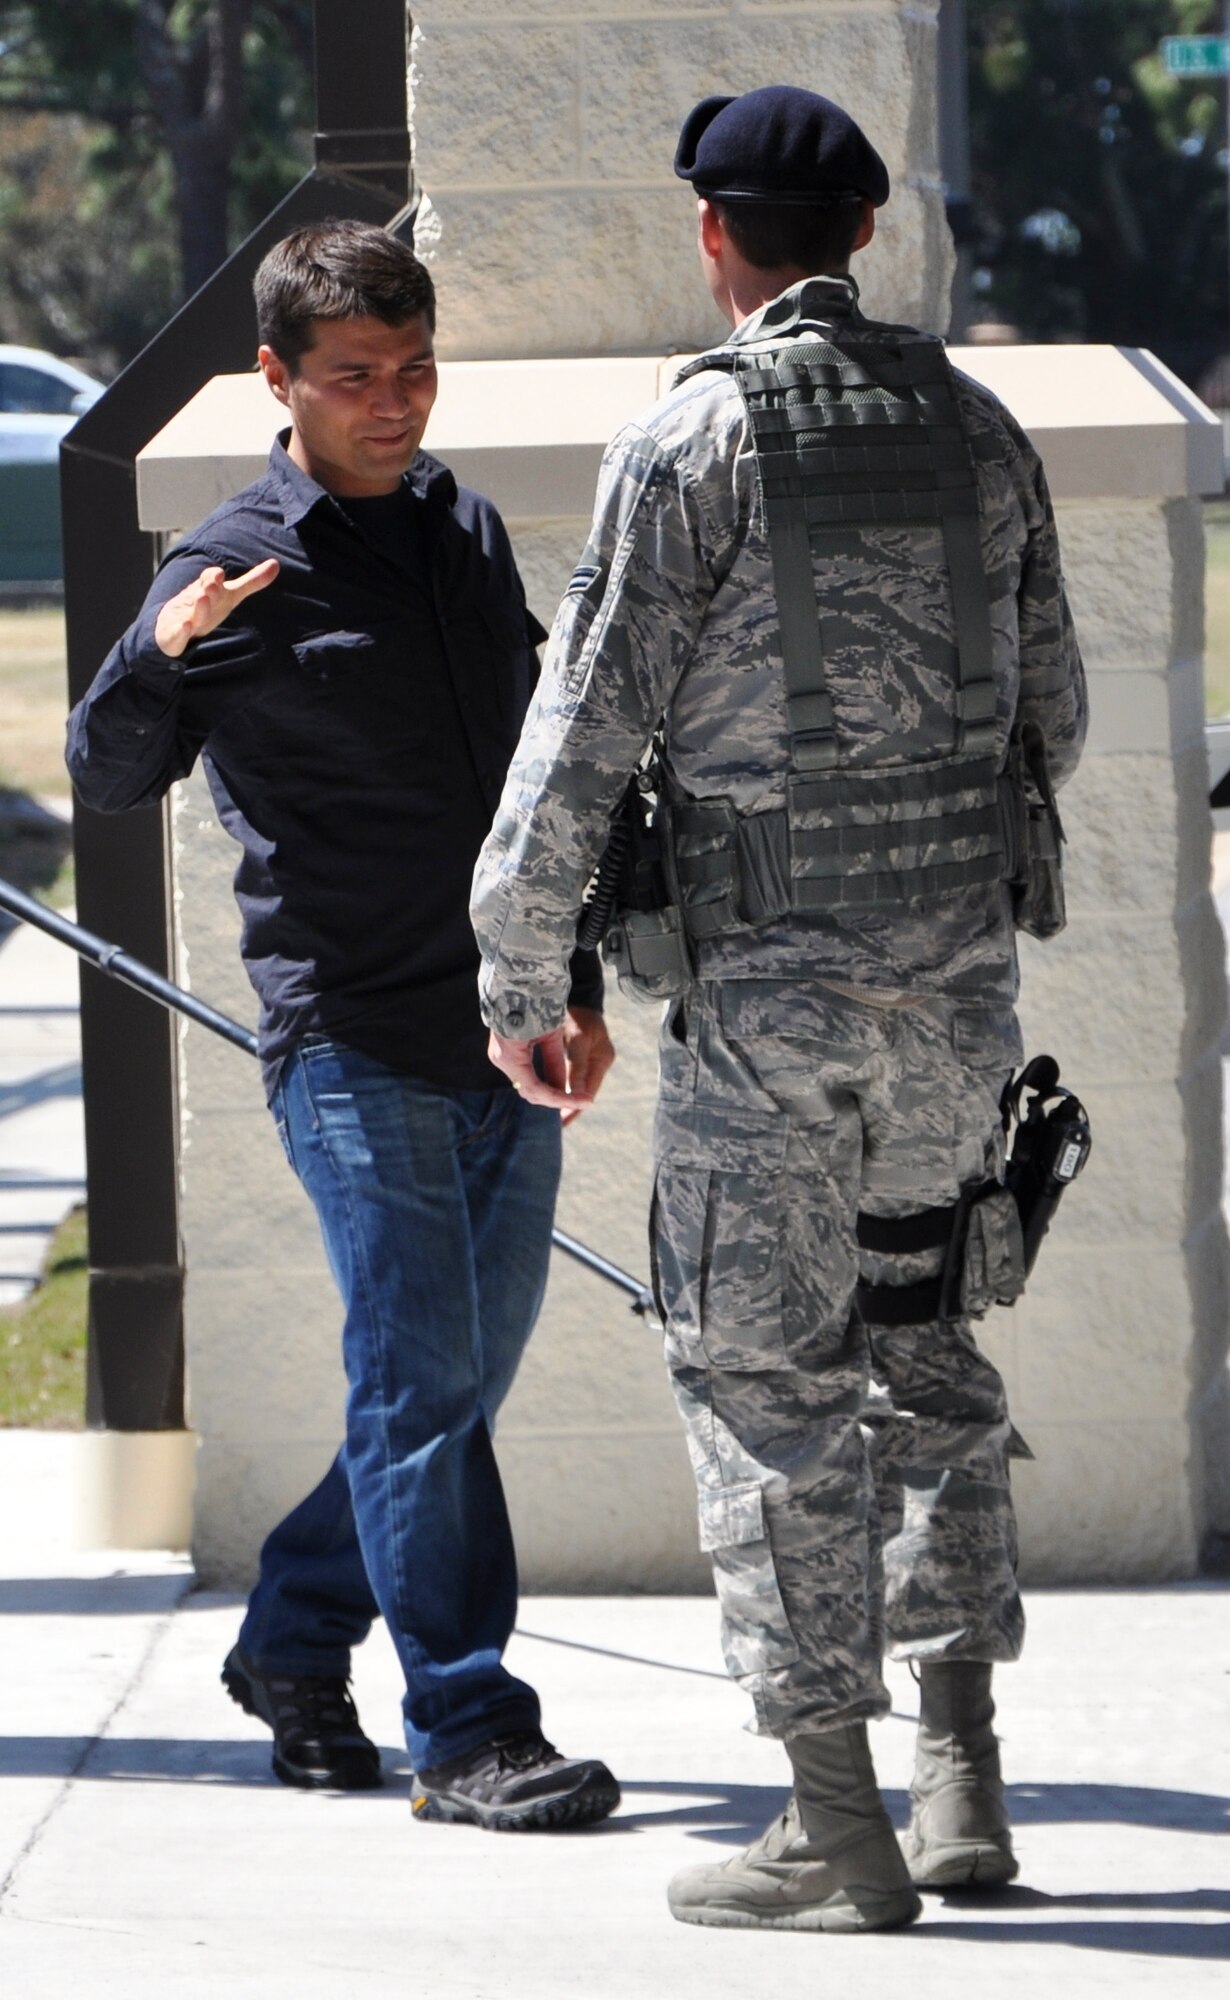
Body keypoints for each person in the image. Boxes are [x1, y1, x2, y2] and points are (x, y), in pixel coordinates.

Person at [471, 86, 1086, 1925]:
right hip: (955, 1005)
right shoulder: (979, 429)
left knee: (766, 1391)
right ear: (863, 233)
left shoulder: (691, 441)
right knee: (926, 1353)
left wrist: (521, 967)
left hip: (768, 1015)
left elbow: (578, 734)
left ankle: (834, 1831)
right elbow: (1049, 715)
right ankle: (962, 1784)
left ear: (710, 234)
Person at [66, 220, 620, 1833]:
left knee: (444, 1387)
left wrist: (568, 983)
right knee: (421, 1380)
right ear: (279, 381)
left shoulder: (459, 527)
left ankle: (299, 1633)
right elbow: (109, 768)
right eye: (356, 379)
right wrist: (149, 662)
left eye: (415, 369)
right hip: (350, 1035)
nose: (395, 404)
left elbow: (527, 784)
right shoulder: (234, 560)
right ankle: (466, 1728)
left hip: (504, 1029)